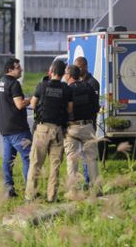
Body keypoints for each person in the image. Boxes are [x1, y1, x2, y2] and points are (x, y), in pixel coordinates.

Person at [25, 59, 73, 202]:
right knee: (55, 166)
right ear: (64, 73)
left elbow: (33, 105)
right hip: (58, 130)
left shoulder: (42, 86)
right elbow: (70, 110)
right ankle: (52, 197)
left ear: (51, 71)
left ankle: (30, 195)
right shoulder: (66, 89)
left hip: (42, 129)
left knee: (35, 163)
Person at [0, 58, 32, 198]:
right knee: (28, 157)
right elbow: (20, 104)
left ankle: (8, 188)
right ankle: (30, 189)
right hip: (18, 129)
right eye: (18, 67)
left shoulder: (0, 82)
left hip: (5, 128)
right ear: (10, 69)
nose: (21, 69)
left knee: (8, 160)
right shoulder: (14, 84)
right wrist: (33, 98)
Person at [63, 65, 100, 194]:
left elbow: (64, 110)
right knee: (91, 158)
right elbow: (96, 107)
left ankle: (73, 190)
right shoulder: (89, 87)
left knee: (72, 159)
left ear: (69, 75)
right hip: (88, 126)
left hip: (72, 127)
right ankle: (96, 189)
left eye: (65, 74)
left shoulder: (67, 90)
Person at [73, 56, 100, 184]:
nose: (77, 69)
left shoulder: (92, 83)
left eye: (79, 67)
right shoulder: (76, 83)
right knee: (80, 154)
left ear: (85, 66)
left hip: (89, 123)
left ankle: (89, 181)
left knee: (87, 155)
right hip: (77, 125)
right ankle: (85, 180)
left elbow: (94, 106)